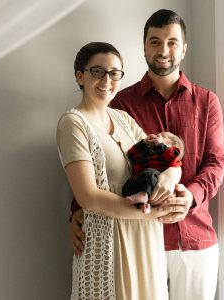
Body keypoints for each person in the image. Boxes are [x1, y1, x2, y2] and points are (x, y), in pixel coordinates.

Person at [70, 9, 224, 300]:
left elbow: (217, 161)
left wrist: (190, 196)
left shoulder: (207, 102)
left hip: (194, 238)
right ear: (144, 46)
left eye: (171, 42)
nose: (163, 50)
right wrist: (76, 213)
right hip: (136, 237)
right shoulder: (119, 102)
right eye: (154, 41)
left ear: (183, 48)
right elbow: (101, 161)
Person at [57, 42, 181, 300]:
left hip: (146, 241)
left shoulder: (124, 119)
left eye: (115, 73)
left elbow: (165, 160)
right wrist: (153, 214)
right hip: (108, 244)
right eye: (98, 71)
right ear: (80, 75)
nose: (107, 80)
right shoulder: (73, 124)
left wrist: (171, 177)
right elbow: (88, 198)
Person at [122, 131, 184, 214]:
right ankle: (143, 205)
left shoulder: (170, 157)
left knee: (149, 172)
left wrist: (161, 145)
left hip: (155, 184)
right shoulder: (147, 151)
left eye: (162, 135)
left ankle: (143, 195)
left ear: (171, 145)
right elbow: (131, 154)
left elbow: (174, 155)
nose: (157, 135)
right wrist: (144, 142)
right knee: (127, 186)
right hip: (139, 181)